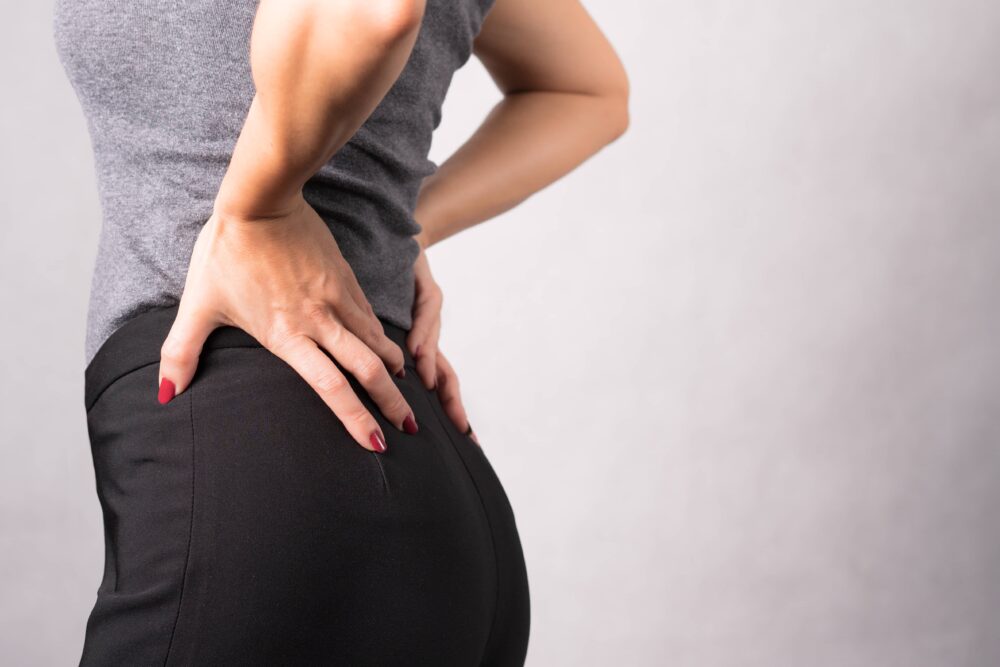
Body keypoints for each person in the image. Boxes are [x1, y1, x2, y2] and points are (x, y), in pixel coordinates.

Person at [53, 0, 628, 663]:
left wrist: (256, 213)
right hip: (436, 495)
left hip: (251, 482)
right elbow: (589, 90)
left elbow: (378, 9)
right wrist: (403, 231)